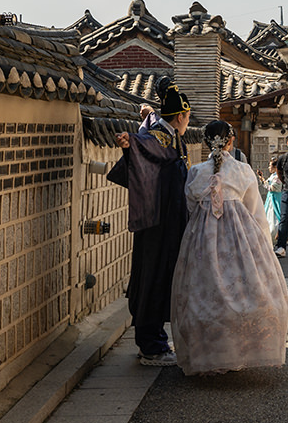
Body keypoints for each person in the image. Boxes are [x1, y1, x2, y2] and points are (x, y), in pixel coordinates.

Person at [171, 121, 288, 375]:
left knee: (203, 294)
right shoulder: (243, 170)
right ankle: (241, 351)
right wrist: (265, 248)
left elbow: (190, 207)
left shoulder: (195, 172)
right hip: (241, 239)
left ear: (205, 143)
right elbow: (256, 211)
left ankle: (209, 355)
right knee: (243, 291)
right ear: (231, 141)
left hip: (202, 239)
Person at [112, 85, 191, 366]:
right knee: (153, 277)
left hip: (169, 221)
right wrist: (129, 142)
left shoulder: (171, 135)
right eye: (187, 115)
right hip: (158, 222)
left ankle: (155, 338)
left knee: (162, 277)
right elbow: (145, 143)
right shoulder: (160, 137)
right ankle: (150, 345)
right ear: (181, 116)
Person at [259, 156, 282, 242]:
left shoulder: (278, 177)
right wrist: (262, 179)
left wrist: (264, 181)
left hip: (275, 199)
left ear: (275, 167)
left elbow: (271, 188)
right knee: (269, 217)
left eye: (270, 166)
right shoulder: (273, 176)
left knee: (275, 219)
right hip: (271, 199)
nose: (269, 167)